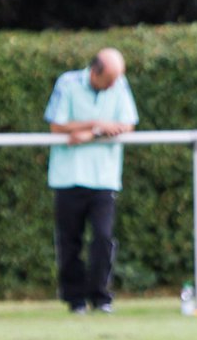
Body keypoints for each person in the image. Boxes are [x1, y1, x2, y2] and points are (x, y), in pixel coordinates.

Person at [43, 48, 138, 314]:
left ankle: (100, 296)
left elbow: (127, 123)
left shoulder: (120, 84)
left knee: (103, 237)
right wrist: (96, 124)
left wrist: (90, 133)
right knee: (69, 241)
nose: (112, 86)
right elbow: (57, 125)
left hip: (104, 177)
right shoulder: (68, 83)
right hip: (68, 177)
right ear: (95, 72)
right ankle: (75, 300)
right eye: (108, 80)